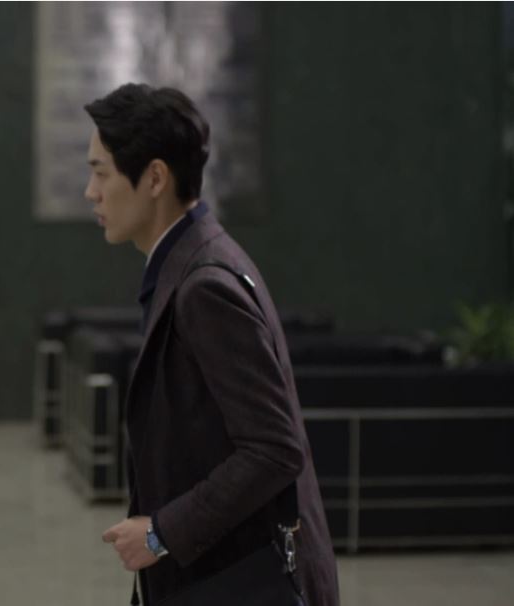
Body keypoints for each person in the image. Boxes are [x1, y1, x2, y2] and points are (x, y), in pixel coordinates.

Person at [85, 84, 339, 605]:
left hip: (238, 580)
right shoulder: (196, 260)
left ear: (155, 178)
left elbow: (274, 448)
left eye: (101, 173)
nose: (91, 191)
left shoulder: (204, 286)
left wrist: (161, 533)